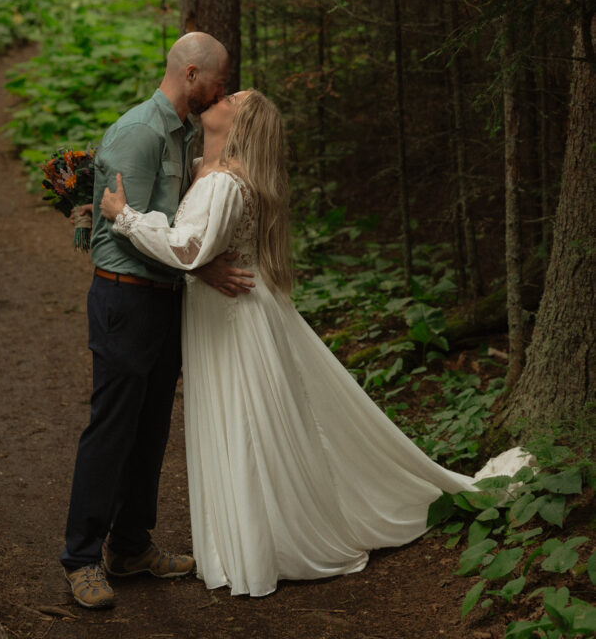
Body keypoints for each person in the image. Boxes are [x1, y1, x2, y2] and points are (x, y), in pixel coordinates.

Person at [100, 89, 531, 598]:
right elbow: (202, 245)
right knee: (241, 419)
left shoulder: (223, 183)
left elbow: (188, 247)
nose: (218, 98)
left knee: (248, 423)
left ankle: (269, 541)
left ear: (239, 125)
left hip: (235, 320)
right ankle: (245, 537)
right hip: (224, 314)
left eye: (230, 99)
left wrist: (123, 216)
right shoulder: (207, 170)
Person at [60, 33, 254, 610]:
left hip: (167, 299)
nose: (222, 90)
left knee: (150, 432)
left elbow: (178, 227)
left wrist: (196, 265)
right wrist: (198, 264)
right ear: (192, 74)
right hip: (125, 299)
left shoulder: (189, 132)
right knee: (113, 428)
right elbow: (109, 233)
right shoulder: (137, 133)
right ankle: (80, 557)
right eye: (218, 81)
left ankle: (131, 546)